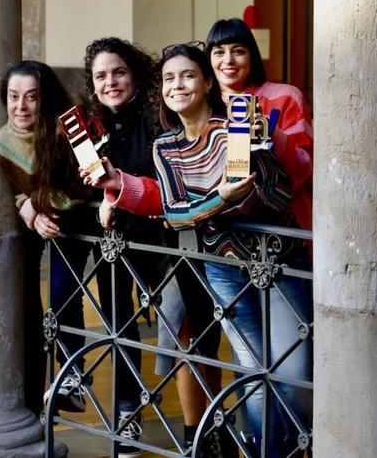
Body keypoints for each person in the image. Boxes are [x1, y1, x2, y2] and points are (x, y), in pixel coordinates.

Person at [98, 43, 310, 456]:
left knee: (295, 370)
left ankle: (294, 446)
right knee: (252, 373)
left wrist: (260, 154)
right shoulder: (166, 147)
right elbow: (176, 214)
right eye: (169, 78)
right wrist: (118, 185)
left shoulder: (234, 126)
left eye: (188, 75)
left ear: (207, 82)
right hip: (224, 269)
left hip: (279, 262)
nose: (178, 85)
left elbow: (275, 194)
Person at [0, 61, 152, 451]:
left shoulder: (69, 127)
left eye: (31, 96)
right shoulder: (4, 142)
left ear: (44, 97)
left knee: (118, 314)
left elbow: (88, 179)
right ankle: (72, 378)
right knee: (62, 297)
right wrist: (28, 208)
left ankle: (128, 414)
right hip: (63, 227)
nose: (22, 106)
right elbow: (17, 189)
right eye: (14, 97)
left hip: (103, 218)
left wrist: (39, 203)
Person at [82, 37, 227, 456]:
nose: (111, 82)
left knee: (186, 330)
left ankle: (203, 425)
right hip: (114, 245)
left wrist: (115, 195)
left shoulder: (158, 119)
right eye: (101, 76)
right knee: (118, 328)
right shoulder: (87, 127)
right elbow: (78, 182)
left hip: (165, 241)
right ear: (92, 84)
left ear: (136, 74)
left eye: (119, 72)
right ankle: (129, 411)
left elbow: (165, 178)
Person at [206, 18, 312, 231]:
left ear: (252, 55)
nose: (228, 60)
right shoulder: (202, 105)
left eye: (238, 51)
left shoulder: (286, 96)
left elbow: (304, 168)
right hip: (220, 234)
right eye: (219, 52)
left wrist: (270, 131)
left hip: (280, 230)